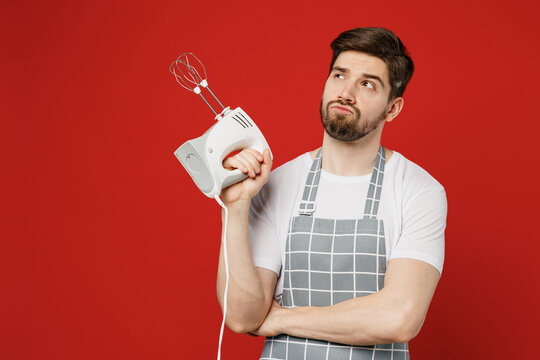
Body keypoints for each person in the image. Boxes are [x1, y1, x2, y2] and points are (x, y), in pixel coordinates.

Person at [217, 27, 447, 360]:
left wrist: (281, 317)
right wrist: (236, 208)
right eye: (340, 76)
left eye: (368, 84)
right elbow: (243, 316)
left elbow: (399, 318)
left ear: (392, 108)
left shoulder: (418, 190)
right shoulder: (278, 183)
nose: (346, 93)